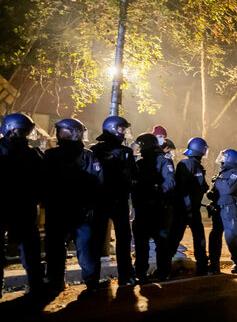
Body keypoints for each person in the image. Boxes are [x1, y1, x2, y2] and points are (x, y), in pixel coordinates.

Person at [43, 118, 104, 292]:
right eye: (61, 131)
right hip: (66, 211)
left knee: (84, 250)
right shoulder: (52, 155)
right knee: (59, 249)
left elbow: (98, 184)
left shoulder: (87, 156)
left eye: (65, 131)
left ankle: (89, 283)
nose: (61, 134)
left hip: (75, 211)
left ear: (76, 133)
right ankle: (59, 282)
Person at [0, 113, 46, 296]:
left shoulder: (32, 154)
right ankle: (36, 287)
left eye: (25, 132)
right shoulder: (30, 154)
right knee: (30, 249)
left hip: (22, 207)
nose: (23, 136)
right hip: (14, 206)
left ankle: (36, 286)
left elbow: (42, 180)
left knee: (31, 250)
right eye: (21, 132)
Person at [90, 115, 138, 286]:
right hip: (108, 202)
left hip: (112, 201)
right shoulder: (97, 150)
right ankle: (99, 277)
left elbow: (133, 177)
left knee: (119, 239)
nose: (124, 132)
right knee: (103, 240)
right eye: (121, 129)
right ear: (112, 128)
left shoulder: (123, 151)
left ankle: (117, 275)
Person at [132, 133, 176, 284]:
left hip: (159, 210)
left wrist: (153, 194)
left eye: (141, 145)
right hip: (142, 210)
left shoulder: (164, 161)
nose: (138, 148)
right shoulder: (140, 163)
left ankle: (163, 273)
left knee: (162, 244)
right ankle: (140, 273)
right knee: (141, 245)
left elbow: (170, 184)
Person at [170, 137, 210, 276]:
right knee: (199, 237)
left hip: (180, 207)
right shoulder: (196, 166)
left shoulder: (182, 164)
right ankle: (203, 265)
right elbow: (201, 186)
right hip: (191, 208)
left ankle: (164, 266)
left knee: (175, 236)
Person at [211, 149, 237, 274]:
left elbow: (228, 189)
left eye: (224, 157)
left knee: (231, 236)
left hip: (229, 208)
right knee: (215, 236)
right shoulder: (222, 171)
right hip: (218, 207)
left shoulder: (235, 172)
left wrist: (217, 184)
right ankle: (213, 264)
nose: (221, 159)